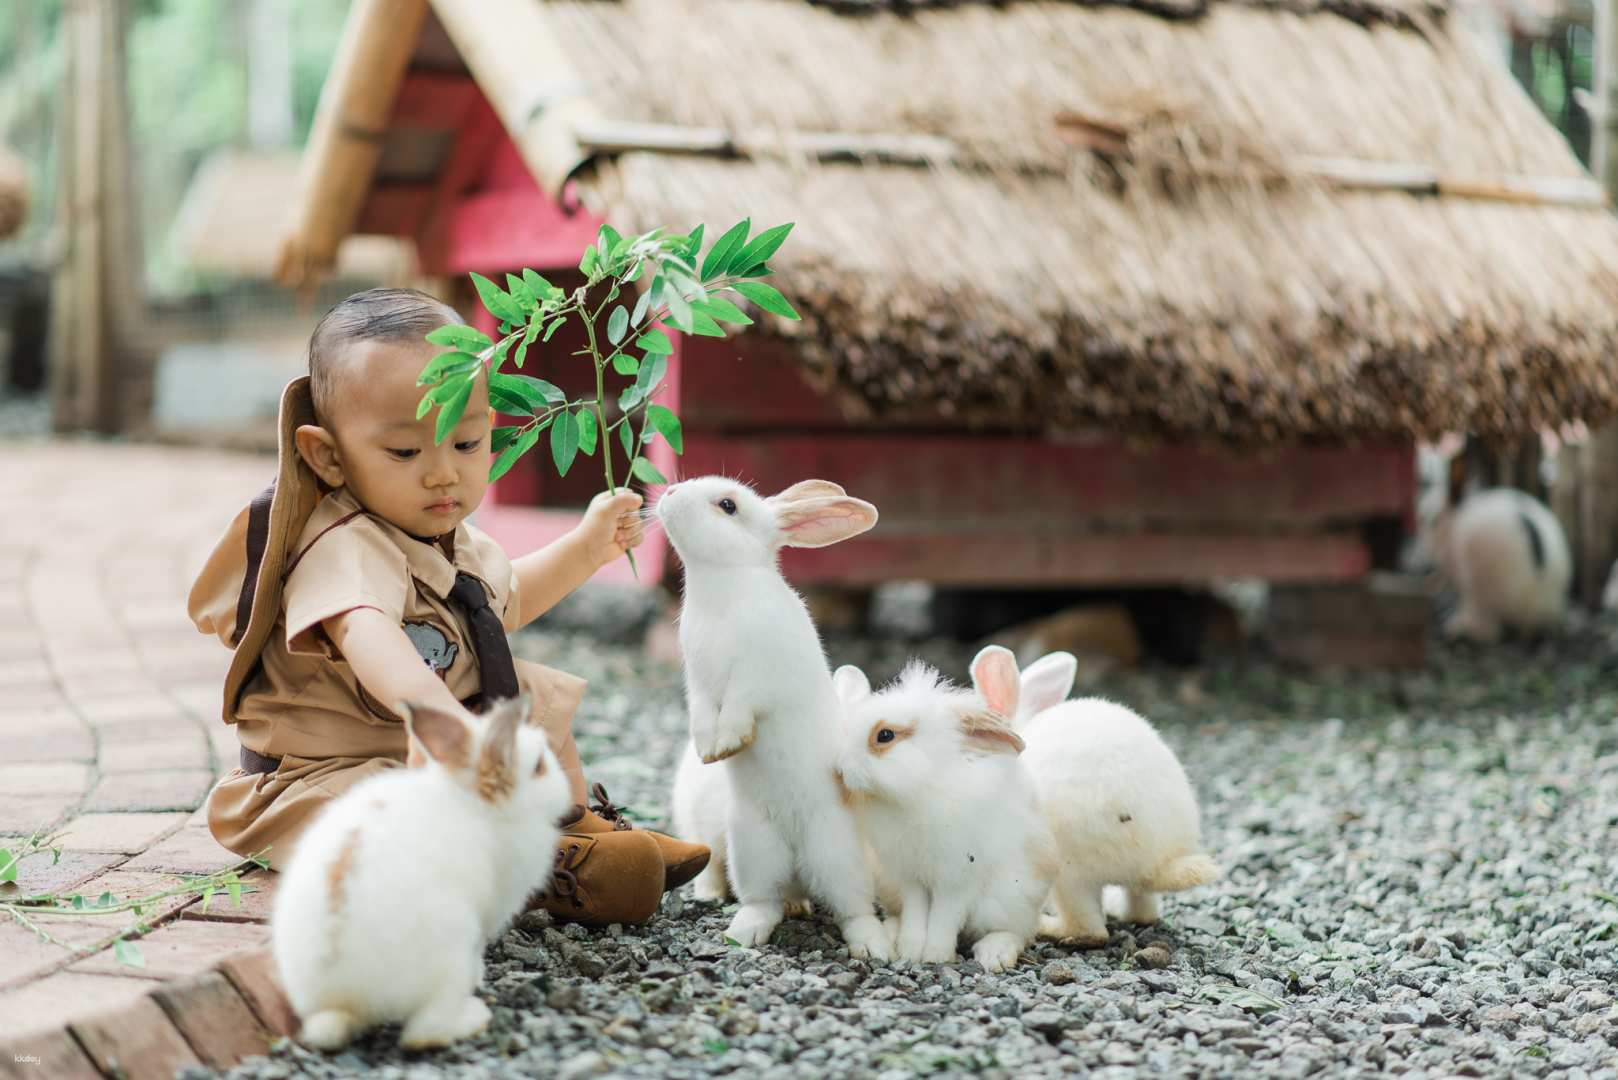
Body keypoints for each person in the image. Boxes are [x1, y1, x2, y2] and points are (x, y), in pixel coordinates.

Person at [188, 287, 707, 926]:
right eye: (405, 452)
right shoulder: (341, 543)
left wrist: (585, 548)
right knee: (391, 827)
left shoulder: (446, 539)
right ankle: (541, 866)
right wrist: (435, 718)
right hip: (320, 779)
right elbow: (368, 635)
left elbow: (503, 604)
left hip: (412, 744)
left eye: (463, 445)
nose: (441, 474)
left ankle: (578, 828)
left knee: (534, 700)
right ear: (328, 455)